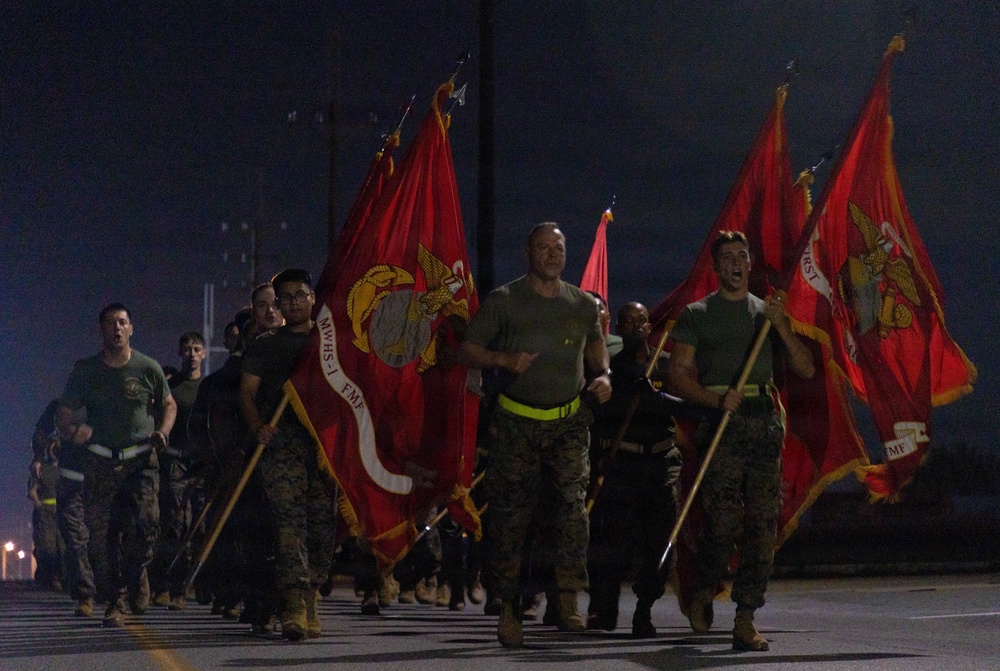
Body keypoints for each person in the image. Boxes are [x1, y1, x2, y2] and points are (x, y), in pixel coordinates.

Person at [460, 222, 612, 648]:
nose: (552, 255)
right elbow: (464, 349)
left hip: (568, 424)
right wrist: (503, 359)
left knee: (571, 515)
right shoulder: (505, 300)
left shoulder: (582, 304)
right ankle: (509, 607)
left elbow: (597, 354)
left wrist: (606, 378)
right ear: (528, 253)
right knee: (510, 519)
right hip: (515, 423)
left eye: (558, 248)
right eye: (543, 248)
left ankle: (567, 602)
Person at [666, 231, 815, 651]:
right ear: (716, 267)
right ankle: (703, 585)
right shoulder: (697, 314)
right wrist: (714, 399)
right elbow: (676, 374)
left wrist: (781, 326)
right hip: (722, 427)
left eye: (742, 256)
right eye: (727, 257)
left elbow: (804, 369)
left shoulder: (766, 314)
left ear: (750, 263)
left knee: (761, 526)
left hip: (764, 425)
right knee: (723, 525)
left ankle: (745, 617)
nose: (736, 262)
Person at [57, 302, 176, 627]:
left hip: (140, 461)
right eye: (111, 324)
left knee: (145, 527)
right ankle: (115, 601)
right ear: (102, 330)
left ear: (131, 328)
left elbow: (169, 404)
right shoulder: (86, 370)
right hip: (100, 461)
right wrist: (71, 430)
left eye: (123, 322)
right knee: (103, 535)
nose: (117, 328)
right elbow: (64, 412)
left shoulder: (147, 367)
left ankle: (138, 572)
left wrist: (162, 432)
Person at [239, 268, 336, 641]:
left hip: (324, 445)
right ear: (277, 306)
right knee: (289, 522)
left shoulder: (329, 340)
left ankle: (312, 594)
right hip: (283, 444)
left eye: (300, 295)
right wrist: (258, 426)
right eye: (286, 299)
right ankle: (294, 602)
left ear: (313, 298)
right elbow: (247, 393)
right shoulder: (265, 345)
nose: (293, 303)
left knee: (322, 524)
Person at [586, 301, 683, 637]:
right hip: (622, 464)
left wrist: (657, 396)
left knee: (659, 542)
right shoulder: (609, 368)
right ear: (620, 328)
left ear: (649, 326)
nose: (635, 327)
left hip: (660, 464)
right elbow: (598, 415)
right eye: (627, 322)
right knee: (614, 542)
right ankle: (604, 608)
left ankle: (645, 609)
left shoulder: (666, 365)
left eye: (642, 321)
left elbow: (687, 407)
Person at [150, 331, 206, 610]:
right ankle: (164, 586)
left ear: (204, 354)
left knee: (198, 526)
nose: (192, 354)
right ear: (179, 353)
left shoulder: (209, 388)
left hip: (202, 463)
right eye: (187, 349)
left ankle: (185, 588)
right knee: (173, 523)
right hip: (174, 461)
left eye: (197, 349)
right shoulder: (170, 386)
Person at [29, 400, 64, 592]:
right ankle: (50, 577)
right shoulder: (41, 467)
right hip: (47, 510)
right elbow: (32, 490)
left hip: (63, 510)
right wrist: (40, 505)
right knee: (47, 546)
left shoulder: (67, 468)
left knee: (64, 546)